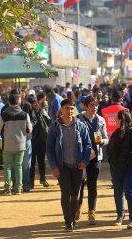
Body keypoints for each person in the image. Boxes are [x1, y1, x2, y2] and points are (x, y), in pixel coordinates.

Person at [46, 99, 91, 231]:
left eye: (71, 108)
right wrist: (54, 167)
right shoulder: (54, 127)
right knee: (65, 194)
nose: (69, 111)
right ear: (61, 109)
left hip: (77, 166)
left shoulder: (80, 126)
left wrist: (84, 161)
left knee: (75, 195)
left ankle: (72, 217)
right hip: (62, 166)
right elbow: (49, 149)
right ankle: (68, 221)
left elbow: (87, 144)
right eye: (67, 108)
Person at [107, 109, 132, 230]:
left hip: (131, 168)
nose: (115, 120)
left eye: (117, 118)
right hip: (117, 168)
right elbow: (110, 149)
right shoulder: (116, 132)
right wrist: (112, 161)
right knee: (118, 193)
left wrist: (128, 162)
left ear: (121, 119)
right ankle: (120, 215)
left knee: (129, 193)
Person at [76, 96, 108, 225]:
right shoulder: (78, 119)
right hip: (81, 157)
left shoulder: (101, 120)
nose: (94, 107)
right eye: (91, 105)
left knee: (92, 185)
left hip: (96, 158)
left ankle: (91, 212)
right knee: (79, 185)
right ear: (85, 106)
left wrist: (102, 141)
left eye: (96, 105)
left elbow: (106, 138)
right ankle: (77, 208)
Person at [0, 92, 32, 195]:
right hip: (21, 144)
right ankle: (19, 189)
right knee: (19, 166)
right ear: (19, 102)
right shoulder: (25, 115)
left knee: (7, 167)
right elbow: (29, 129)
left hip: (7, 144)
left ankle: (7, 188)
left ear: (8, 102)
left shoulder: (4, 115)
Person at [28, 95, 51, 189]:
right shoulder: (41, 110)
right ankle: (42, 179)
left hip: (32, 140)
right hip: (41, 140)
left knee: (32, 162)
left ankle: (31, 182)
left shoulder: (27, 112)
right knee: (41, 161)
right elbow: (49, 121)